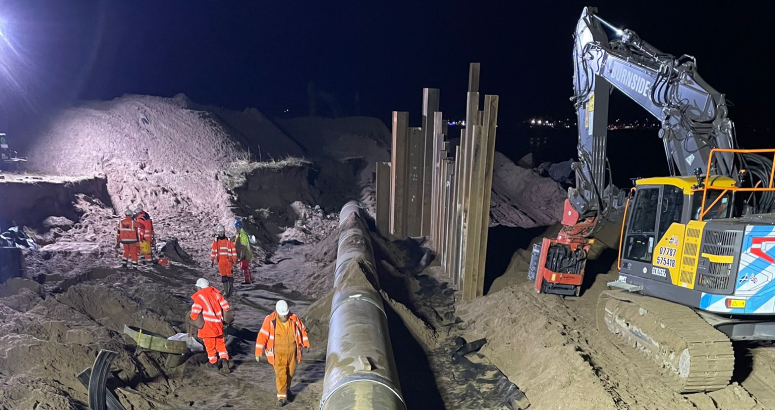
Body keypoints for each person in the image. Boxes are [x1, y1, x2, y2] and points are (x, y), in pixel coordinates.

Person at [255, 300, 311, 407]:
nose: (284, 316)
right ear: (277, 312)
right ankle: (281, 397)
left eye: (286, 314)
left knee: (290, 373)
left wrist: (306, 344)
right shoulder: (270, 320)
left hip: (292, 354)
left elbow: (302, 330)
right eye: (282, 315)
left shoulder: (294, 319)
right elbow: (262, 335)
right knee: (281, 374)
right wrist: (258, 351)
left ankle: (287, 389)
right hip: (278, 354)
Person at [190, 278, 232, 373]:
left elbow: (195, 313)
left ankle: (213, 363)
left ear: (199, 287)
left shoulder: (200, 297)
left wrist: (193, 318)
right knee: (221, 344)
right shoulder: (216, 294)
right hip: (218, 325)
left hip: (207, 326)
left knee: (210, 346)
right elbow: (226, 306)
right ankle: (224, 360)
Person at [210, 225, 237, 297]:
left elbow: (233, 251)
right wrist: (212, 260)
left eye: (222, 232)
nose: (221, 233)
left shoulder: (228, 241)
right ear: (218, 233)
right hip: (221, 261)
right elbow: (213, 251)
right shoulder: (216, 242)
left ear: (224, 232)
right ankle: (226, 291)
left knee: (230, 276)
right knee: (224, 276)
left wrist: (234, 261)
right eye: (220, 232)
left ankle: (230, 290)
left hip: (228, 261)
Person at [234, 220, 253, 284]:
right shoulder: (239, 234)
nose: (235, 228)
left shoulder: (242, 235)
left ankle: (247, 281)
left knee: (244, 266)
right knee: (245, 266)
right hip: (243, 253)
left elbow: (244, 247)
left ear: (238, 227)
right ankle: (251, 278)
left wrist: (242, 256)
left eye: (236, 227)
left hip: (245, 253)